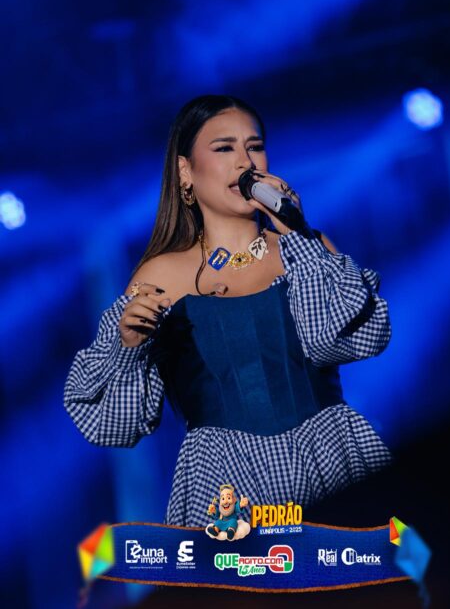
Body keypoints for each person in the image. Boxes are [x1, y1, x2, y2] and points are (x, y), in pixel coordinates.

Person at [63, 94, 393, 528]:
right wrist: (129, 346)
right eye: (224, 148)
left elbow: (347, 343)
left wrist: (297, 234)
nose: (245, 162)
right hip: (225, 480)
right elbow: (114, 425)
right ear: (185, 171)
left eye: (254, 146)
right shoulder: (162, 274)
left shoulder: (307, 250)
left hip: (330, 454)